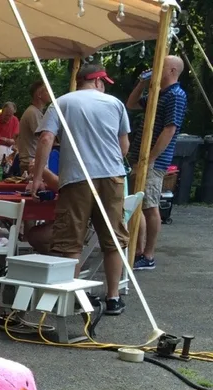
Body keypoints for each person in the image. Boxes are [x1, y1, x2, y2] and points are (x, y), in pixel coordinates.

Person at [30, 65, 131, 316]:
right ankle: (113, 298)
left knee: (69, 241)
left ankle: (70, 297)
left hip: (76, 179)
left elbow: (45, 139)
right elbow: (124, 147)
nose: (105, 86)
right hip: (111, 177)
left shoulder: (61, 102)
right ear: (96, 81)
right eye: (103, 81)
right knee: (113, 240)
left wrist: (37, 177)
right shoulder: (115, 104)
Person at [126, 55, 187, 271]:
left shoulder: (176, 95)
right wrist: (143, 82)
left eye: (159, 66)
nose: (155, 69)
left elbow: (170, 129)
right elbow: (131, 104)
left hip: (153, 161)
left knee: (150, 206)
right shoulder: (158, 93)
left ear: (171, 70)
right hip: (139, 157)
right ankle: (138, 250)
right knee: (137, 204)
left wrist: (150, 159)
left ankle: (148, 255)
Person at [18, 81, 50, 164]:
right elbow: (44, 137)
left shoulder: (36, 112)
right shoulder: (33, 113)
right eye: (47, 90)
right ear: (39, 94)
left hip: (32, 160)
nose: (50, 92)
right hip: (31, 162)